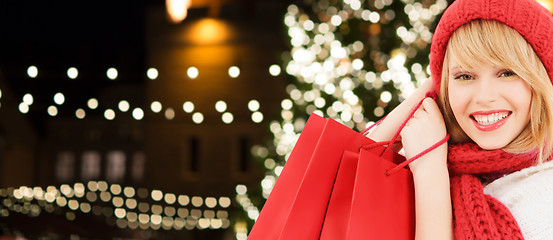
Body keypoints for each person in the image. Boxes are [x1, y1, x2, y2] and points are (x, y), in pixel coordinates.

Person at [367, 0, 553, 239]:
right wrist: (430, 89)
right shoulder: (441, 160)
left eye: (507, 73)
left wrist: (430, 173)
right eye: (465, 76)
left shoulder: (543, 193)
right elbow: (340, 183)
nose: (484, 97)